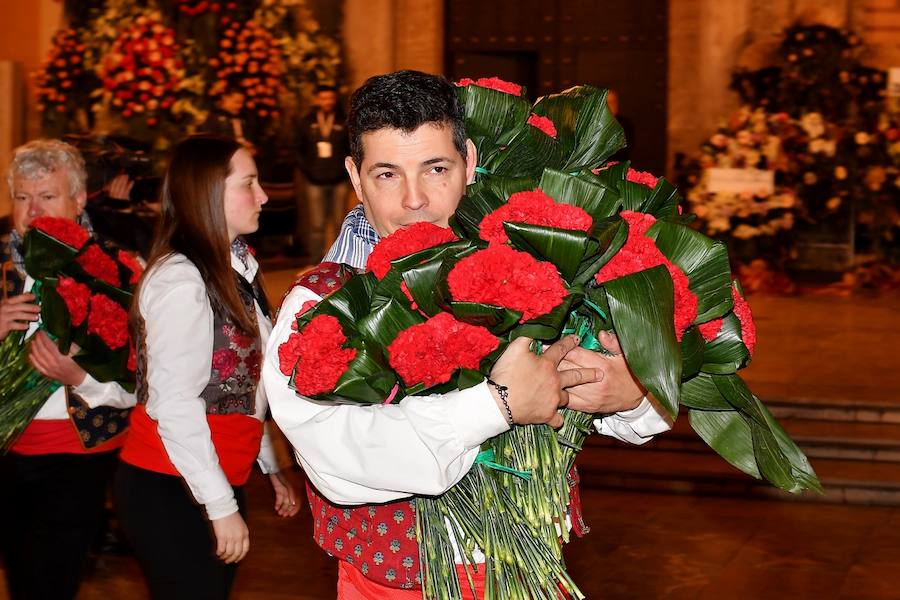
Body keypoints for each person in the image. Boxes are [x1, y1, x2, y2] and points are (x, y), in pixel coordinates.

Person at [262, 71, 672, 598]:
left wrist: (632, 394)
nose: (415, 200)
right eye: (387, 174)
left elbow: (632, 406)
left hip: (534, 573)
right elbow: (337, 461)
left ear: (470, 164)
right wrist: (497, 405)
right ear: (355, 176)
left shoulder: (528, 266)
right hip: (399, 586)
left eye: (436, 169)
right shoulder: (319, 305)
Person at [115, 135, 300, 600]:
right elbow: (174, 403)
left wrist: (268, 465)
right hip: (171, 482)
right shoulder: (182, 278)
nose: (262, 196)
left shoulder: (236, 266)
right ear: (208, 193)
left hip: (214, 472)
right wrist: (218, 505)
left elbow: (246, 383)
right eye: (250, 183)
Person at [0, 139, 136, 600]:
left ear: (79, 201)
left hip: (79, 453)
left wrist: (79, 377)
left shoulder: (120, 268)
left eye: (48, 196)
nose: (33, 210)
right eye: (22, 197)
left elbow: (145, 381)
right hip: (6, 454)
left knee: (51, 581)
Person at [292, 85, 351, 260]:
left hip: (339, 179)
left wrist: (345, 171)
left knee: (340, 223)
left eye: (330, 98)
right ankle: (315, 263)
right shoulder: (306, 122)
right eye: (323, 98)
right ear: (317, 100)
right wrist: (308, 170)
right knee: (316, 225)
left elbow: (352, 149)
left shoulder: (344, 121)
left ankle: (336, 262)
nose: (327, 102)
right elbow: (297, 149)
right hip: (314, 180)